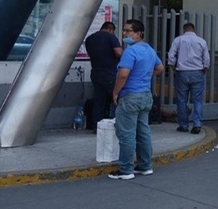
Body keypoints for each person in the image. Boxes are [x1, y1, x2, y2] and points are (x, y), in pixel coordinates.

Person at [108, 19, 164, 180]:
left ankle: (126, 170)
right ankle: (145, 166)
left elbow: (123, 74)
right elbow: (160, 68)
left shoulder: (130, 51)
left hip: (130, 96)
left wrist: (115, 93)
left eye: (128, 31)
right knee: (143, 132)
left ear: (138, 34)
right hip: (145, 96)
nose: (124, 34)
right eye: (124, 31)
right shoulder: (149, 50)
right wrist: (145, 75)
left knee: (126, 134)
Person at [167, 22, 210, 134]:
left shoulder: (178, 40)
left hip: (182, 72)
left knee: (181, 100)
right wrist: (204, 69)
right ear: (194, 29)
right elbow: (206, 59)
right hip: (197, 72)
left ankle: (183, 125)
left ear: (184, 30)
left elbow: (171, 56)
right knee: (198, 100)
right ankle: (197, 124)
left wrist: (173, 68)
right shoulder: (201, 41)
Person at [84, 22, 121, 132]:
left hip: (95, 72)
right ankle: (116, 125)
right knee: (116, 99)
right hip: (109, 73)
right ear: (110, 29)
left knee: (99, 102)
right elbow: (118, 52)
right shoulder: (111, 37)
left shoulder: (90, 39)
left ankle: (97, 127)